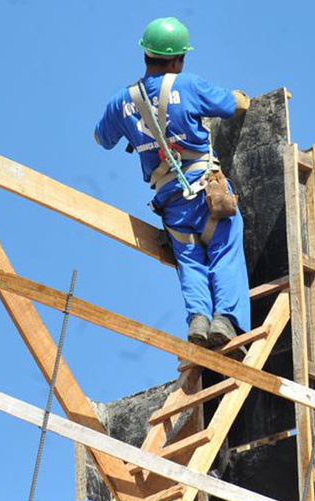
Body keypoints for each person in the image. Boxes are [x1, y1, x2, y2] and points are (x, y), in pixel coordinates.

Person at [94, 17, 252, 348]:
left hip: (171, 202)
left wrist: (133, 128)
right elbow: (232, 104)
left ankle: (198, 319)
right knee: (224, 250)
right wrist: (242, 97)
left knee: (190, 259)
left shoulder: (121, 102)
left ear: (146, 56)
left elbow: (100, 138)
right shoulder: (190, 86)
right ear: (179, 59)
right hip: (207, 188)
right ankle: (226, 320)